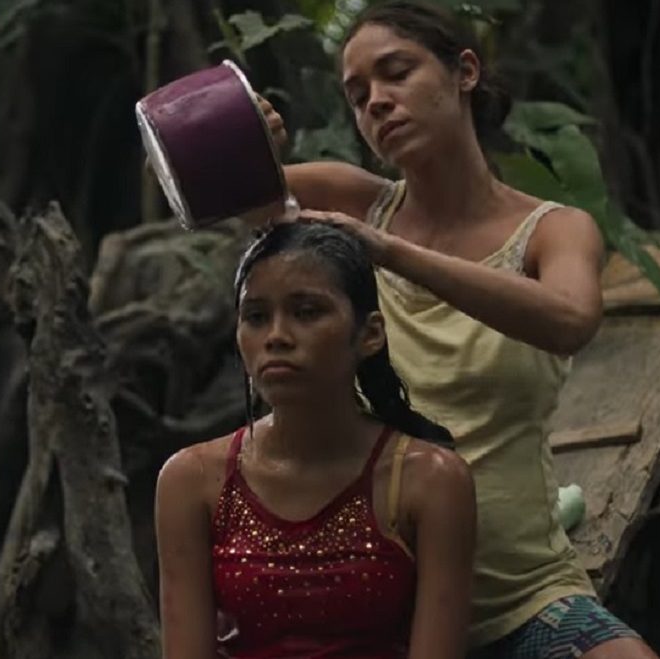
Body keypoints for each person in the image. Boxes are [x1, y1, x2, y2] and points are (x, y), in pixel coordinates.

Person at [254, 0, 659, 659]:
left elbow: (569, 320)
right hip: (374, 605)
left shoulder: (552, 230)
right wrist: (243, 147)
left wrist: (387, 252)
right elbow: (204, 194)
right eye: (356, 95)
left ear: (463, 71)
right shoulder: (354, 198)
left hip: (522, 598)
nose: (376, 103)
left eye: (395, 73)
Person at [155, 220, 477, 658]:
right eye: (256, 317)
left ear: (369, 334)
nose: (277, 337)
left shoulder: (430, 480)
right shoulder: (191, 480)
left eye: (307, 312)